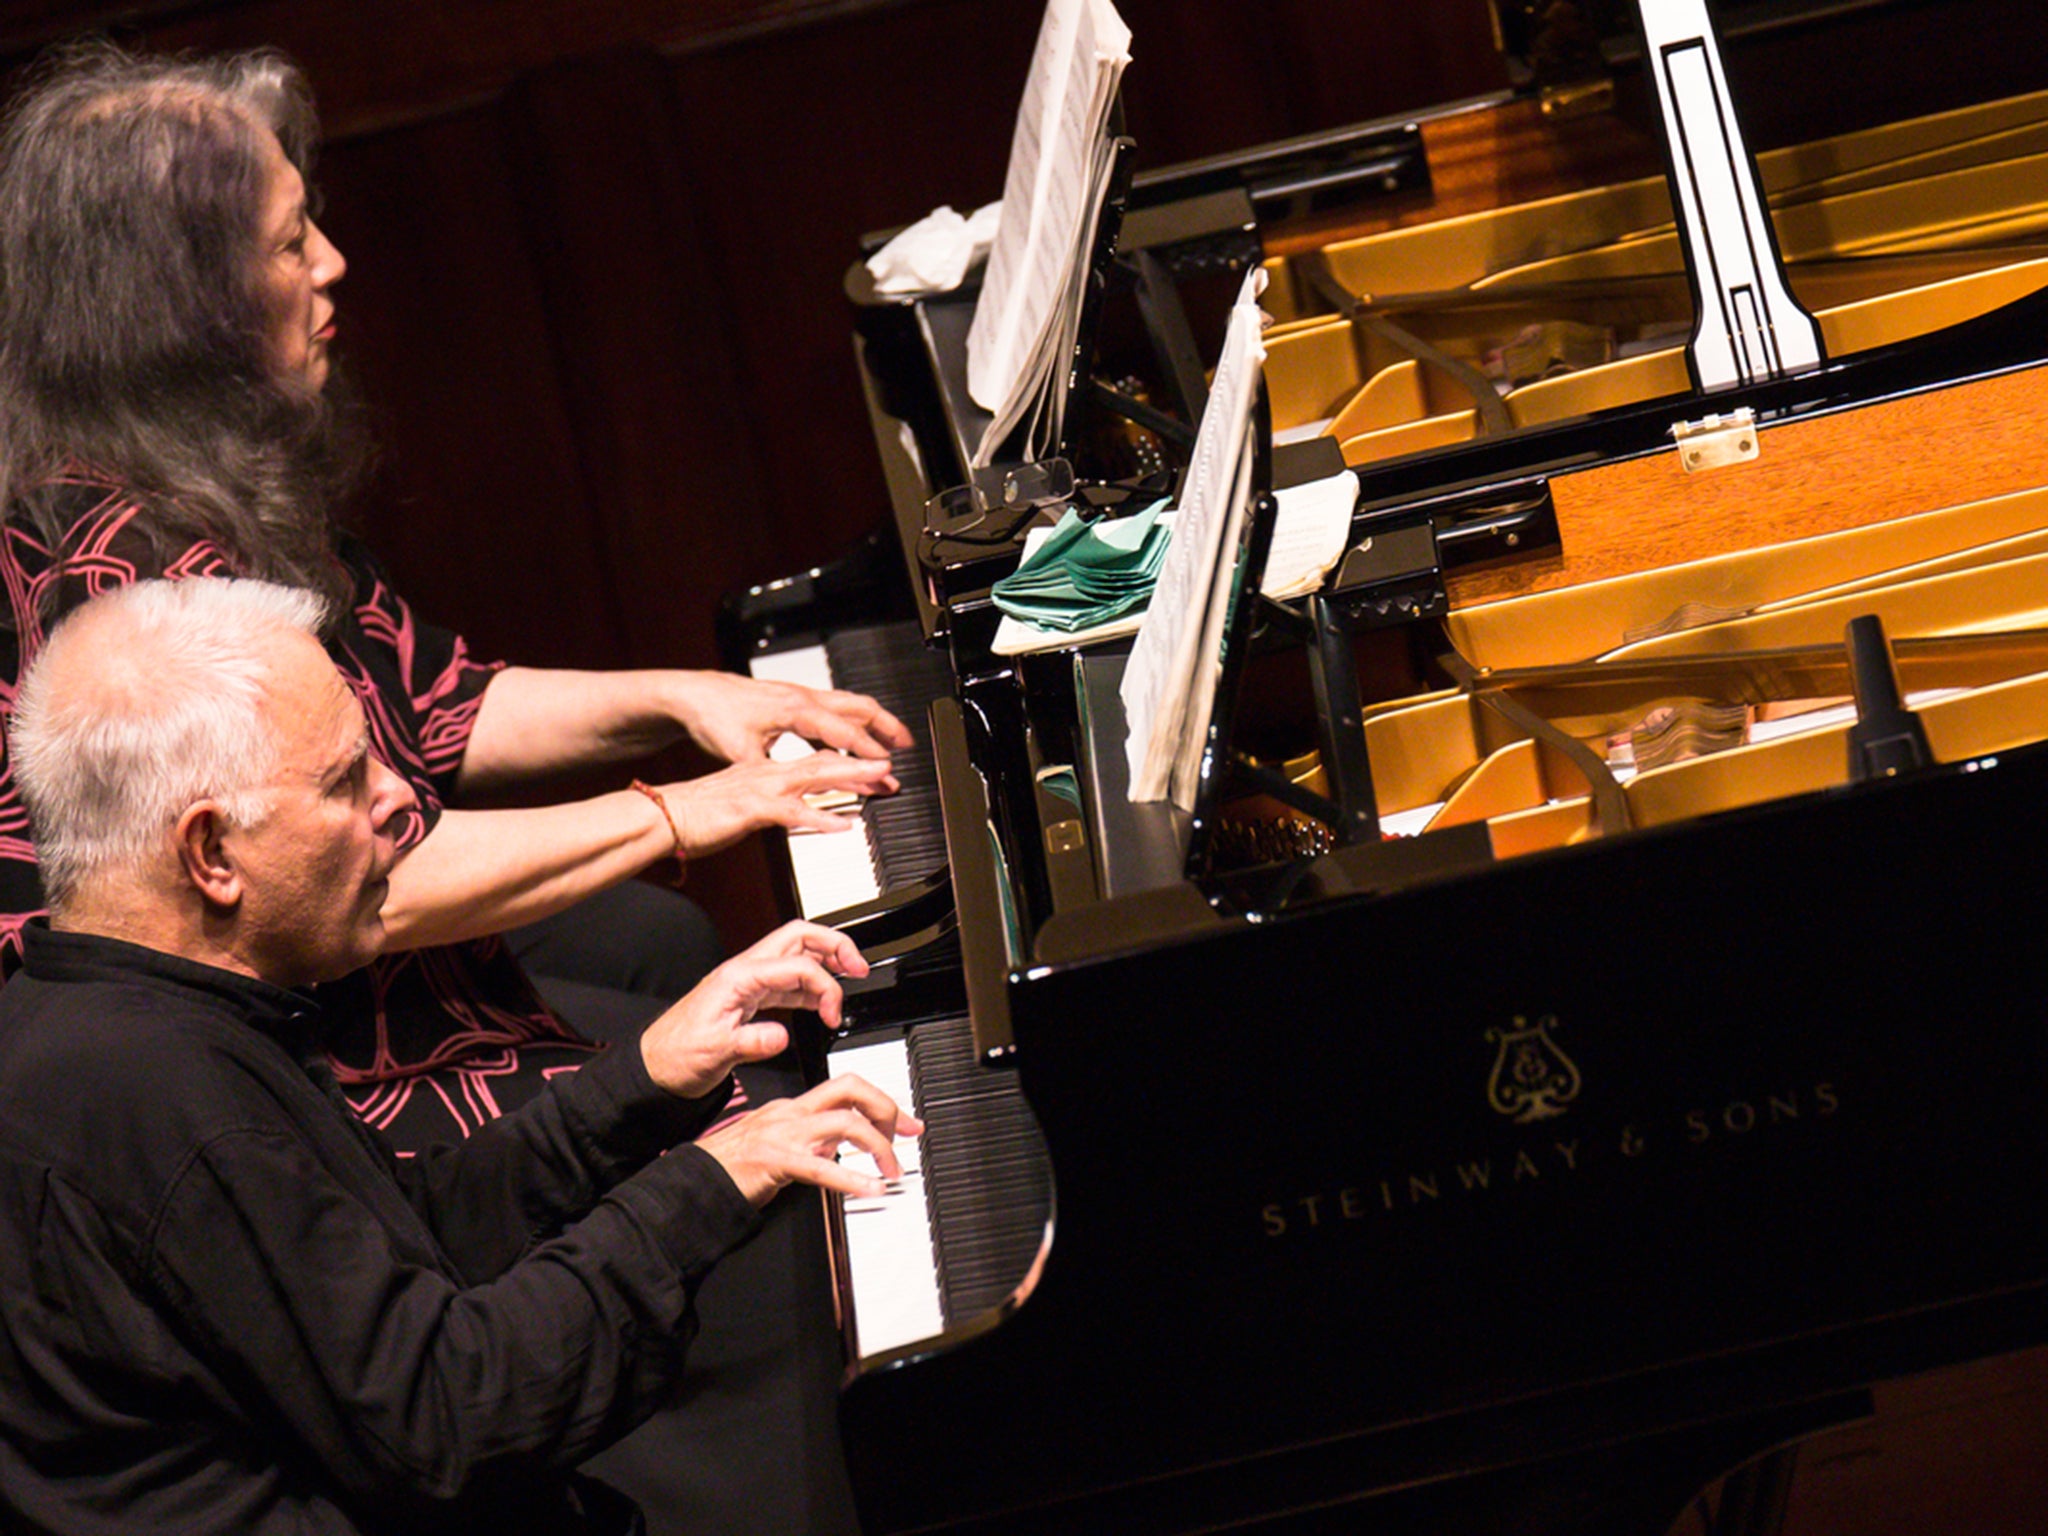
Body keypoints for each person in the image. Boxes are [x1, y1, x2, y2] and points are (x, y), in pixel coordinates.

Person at [0, 41, 916, 1151]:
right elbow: (351, 871)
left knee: (657, 940)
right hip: (275, 1066)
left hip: (340, 959)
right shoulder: (121, 566)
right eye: (291, 245)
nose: (334, 263)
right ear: (181, 313)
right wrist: (675, 810)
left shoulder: (197, 461)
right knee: (735, 1090)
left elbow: (438, 703)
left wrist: (689, 700)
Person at [0, 576, 917, 1535]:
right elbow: (452, 1418)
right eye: (345, 781)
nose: (401, 801)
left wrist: (640, 1082)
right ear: (213, 854)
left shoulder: (112, 1016)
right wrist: (705, 1183)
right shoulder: (155, 1095)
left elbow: (400, 1239)